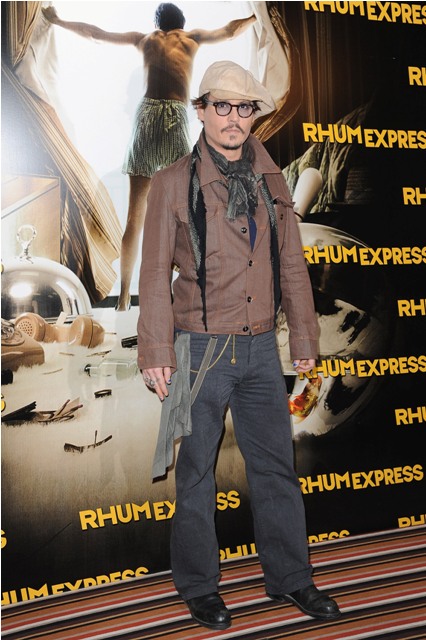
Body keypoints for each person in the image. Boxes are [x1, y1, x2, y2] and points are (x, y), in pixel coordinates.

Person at [137, 60, 341, 631]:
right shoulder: (172, 182)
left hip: (259, 352)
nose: (233, 118)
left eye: (244, 107)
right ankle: (200, 588)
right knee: (196, 474)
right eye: (221, 106)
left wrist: (304, 339)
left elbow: (292, 265)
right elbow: (153, 272)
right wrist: (156, 350)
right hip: (198, 351)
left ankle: (292, 577)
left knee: (276, 469)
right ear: (201, 111)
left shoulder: (273, 180)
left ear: (254, 116)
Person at [42, 4, 256, 311]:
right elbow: (230, 31)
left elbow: (95, 34)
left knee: (135, 217)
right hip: (174, 119)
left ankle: (124, 296)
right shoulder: (190, 38)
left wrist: (58, 20)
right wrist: (256, 16)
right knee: (182, 213)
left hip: (146, 118)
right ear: (181, 23)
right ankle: (172, 292)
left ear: (157, 24)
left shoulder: (144, 39)